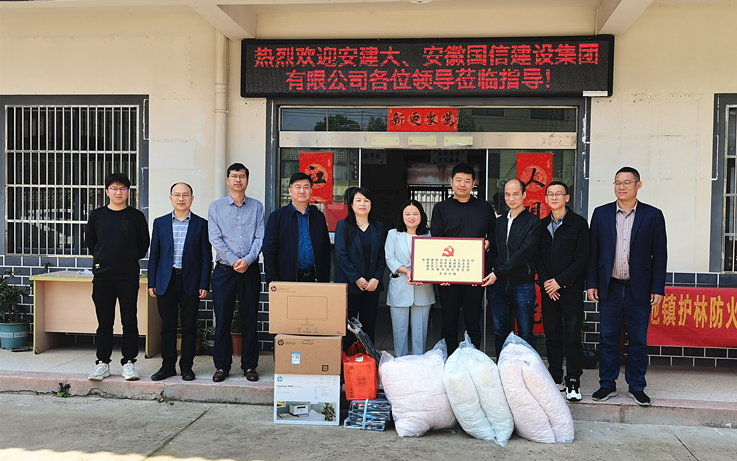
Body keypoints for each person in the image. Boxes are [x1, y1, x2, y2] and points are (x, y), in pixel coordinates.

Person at [587, 166, 667, 406]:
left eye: (626, 182)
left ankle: (637, 386)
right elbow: (593, 253)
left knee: (638, 341)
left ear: (638, 185)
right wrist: (592, 283)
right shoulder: (601, 214)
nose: (621, 187)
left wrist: (658, 288)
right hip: (610, 287)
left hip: (638, 289)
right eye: (617, 183)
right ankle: (607, 384)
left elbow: (660, 255)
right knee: (607, 339)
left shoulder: (652, 215)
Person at [86, 173, 150, 381]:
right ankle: (102, 363)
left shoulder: (136, 216)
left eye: (122, 188)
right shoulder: (97, 215)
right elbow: (91, 243)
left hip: (128, 276)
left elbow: (143, 245)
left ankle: (129, 363)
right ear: (107, 191)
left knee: (129, 320)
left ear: (128, 192)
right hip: (103, 276)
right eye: (114, 188)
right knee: (104, 323)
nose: (118, 192)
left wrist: (127, 258)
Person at [148, 182, 211, 382]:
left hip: (190, 281)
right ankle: (167, 366)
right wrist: (152, 282)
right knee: (167, 326)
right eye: (177, 194)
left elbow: (206, 257)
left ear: (192, 198)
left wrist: (204, 283)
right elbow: (154, 255)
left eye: (185, 195)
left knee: (189, 327)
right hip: (165, 281)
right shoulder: (160, 223)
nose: (181, 198)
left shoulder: (201, 224)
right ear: (171, 198)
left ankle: (186, 367)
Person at [431, 163, 496, 354]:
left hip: (475, 274)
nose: (462, 184)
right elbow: (436, 241)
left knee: (473, 321)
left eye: (467, 180)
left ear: (473, 183)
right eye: (458, 180)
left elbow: (494, 233)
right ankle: (450, 360)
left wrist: (489, 242)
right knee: (449, 321)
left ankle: (472, 359)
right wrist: (439, 274)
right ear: (451, 182)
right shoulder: (441, 208)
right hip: (448, 274)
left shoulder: (484, 207)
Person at [208, 163, 264, 383]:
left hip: (250, 270)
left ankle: (249, 365)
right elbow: (215, 238)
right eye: (234, 176)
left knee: (250, 318)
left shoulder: (256, 206)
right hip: (224, 271)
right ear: (228, 180)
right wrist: (234, 261)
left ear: (247, 180)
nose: (238, 180)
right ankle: (222, 366)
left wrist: (247, 260)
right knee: (223, 319)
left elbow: (260, 236)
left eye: (242, 176)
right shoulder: (216, 207)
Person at [536, 181, 590, 401]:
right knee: (551, 334)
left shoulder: (578, 224)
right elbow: (538, 258)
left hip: (570, 290)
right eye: (550, 194)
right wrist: (547, 284)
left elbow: (581, 259)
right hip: (549, 290)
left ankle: (573, 379)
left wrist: (559, 282)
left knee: (572, 335)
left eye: (559, 194)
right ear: (546, 199)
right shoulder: (541, 225)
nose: (554, 197)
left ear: (567, 197)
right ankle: (555, 375)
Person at [483, 178, 542, 358]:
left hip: (522, 284)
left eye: (516, 194)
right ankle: (503, 367)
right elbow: (495, 250)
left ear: (524, 195)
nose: (511, 198)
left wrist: (497, 273)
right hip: (499, 285)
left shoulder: (533, 222)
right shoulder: (499, 222)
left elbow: (523, 254)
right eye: (507, 194)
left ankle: (527, 369)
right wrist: (482, 271)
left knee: (525, 333)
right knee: (500, 332)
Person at [335, 187, 386, 351]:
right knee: (347, 326)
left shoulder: (378, 227)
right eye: (358, 200)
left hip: (372, 285)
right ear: (351, 204)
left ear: (371, 204)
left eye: (366, 200)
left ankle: (369, 359)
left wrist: (376, 278)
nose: (362, 204)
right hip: (350, 284)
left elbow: (382, 255)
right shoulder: (343, 226)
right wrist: (356, 278)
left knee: (369, 325)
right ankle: (347, 359)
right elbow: (341, 254)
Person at [384, 200, 435, 356]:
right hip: (400, 286)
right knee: (399, 330)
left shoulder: (428, 235)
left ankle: (418, 361)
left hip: (423, 287)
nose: (411, 217)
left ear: (421, 216)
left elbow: (433, 258)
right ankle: (401, 361)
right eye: (407, 214)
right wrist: (408, 272)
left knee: (420, 331)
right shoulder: (393, 234)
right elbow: (390, 258)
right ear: (402, 216)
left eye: (415, 214)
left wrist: (421, 273)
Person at [263, 172, 331, 284]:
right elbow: (269, 250)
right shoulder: (277, 217)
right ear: (290, 191)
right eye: (298, 187)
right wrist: (273, 281)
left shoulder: (318, 217)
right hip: (286, 279)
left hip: (314, 279)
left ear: (311, 191)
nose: (302, 191)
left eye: (306, 187)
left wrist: (324, 280)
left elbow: (325, 249)